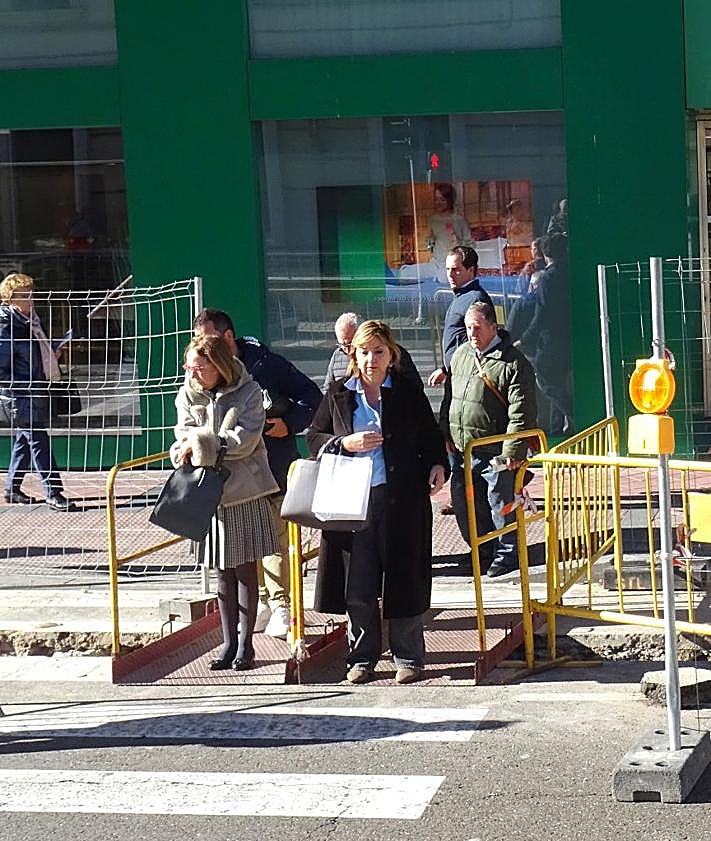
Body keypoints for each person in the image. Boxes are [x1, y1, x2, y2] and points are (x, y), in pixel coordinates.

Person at [306, 320, 448, 685]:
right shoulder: (339, 393)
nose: (371, 359)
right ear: (353, 354)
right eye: (364, 352)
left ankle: (408, 657)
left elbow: (431, 436)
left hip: (400, 499)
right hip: (352, 500)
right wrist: (344, 444)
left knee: (405, 578)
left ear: (391, 355)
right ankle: (362, 658)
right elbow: (315, 437)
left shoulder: (406, 392)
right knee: (359, 583)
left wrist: (436, 464)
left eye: (379, 351)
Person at [192, 308, 322, 639]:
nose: (202, 348)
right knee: (247, 547)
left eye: (208, 339)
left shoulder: (265, 365)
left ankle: (282, 605)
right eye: (197, 341)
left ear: (227, 337)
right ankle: (262, 603)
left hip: (272, 469)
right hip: (228, 483)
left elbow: (311, 397)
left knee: (276, 541)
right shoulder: (201, 379)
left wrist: (288, 424)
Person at [171, 334, 279, 671]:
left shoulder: (249, 392)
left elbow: (244, 441)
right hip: (208, 495)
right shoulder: (188, 391)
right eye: (190, 366)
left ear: (219, 365)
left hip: (244, 492)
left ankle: (247, 645)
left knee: (246, 571)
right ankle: (227, 643)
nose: (193, 373)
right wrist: (182, 451)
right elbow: (181, 433)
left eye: (200, 367)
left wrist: (200, 442)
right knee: (220, 573)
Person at [443, 302, 537, 578]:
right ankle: (481, 551)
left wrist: (512, 450)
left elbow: (522, 412)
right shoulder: (461, 355)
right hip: (463, 449)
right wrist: (445, 433)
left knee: (501, 503)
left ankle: (507, 555)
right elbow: (450, 399)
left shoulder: (514, 363)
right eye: (468, 328)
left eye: (477, 327)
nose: (472, 333)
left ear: (493, 327)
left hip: (495, 451)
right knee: (467, 505)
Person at [0, 272, 76, 511]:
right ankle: (53, 492)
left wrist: (51, 351)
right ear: (9, 298)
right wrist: (25, 381)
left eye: (31, 293)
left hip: (35, 388)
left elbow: (32, 353)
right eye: (24, 295)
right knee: (38, 438)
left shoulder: (30, 320)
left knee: (26, 437)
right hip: (20, 393)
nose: (30, 298)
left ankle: (12, 488)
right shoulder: (6, 325)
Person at [518, 233, 573, 435]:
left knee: (546, 381)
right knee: (558, 381)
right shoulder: (569, 273)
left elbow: (541, 314)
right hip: (567, 337)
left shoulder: (547, 279)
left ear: (545, 253)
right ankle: (557, 428)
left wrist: (524, 338)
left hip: (550, 340)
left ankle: (573, 415)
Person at [427, 246, 494, 386]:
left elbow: (483, 342)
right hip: (456, 373)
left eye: (456, 269)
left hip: (468, 376)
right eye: (448, 269)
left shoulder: (475, 298)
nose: (450, 275)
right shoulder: (461, 295)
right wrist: (445, 369)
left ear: (471, 270)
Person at [323, 312, 423, 389]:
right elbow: (328, 389)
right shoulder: (338, 354)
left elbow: (415, 387)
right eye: (342, 344)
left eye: (351, 344)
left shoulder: (394, 353)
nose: (347, 350)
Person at [426, 183, 474, 284]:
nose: (438, 202)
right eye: (436, 199)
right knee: (407, 272)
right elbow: (429, 245)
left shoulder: (459, 220)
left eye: (442, 199)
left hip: (453, 264)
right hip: (435, 263)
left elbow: (471, 245)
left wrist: (457, 242)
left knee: (444, 278)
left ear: (450, 200)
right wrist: (430, 240)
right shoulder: (433, 220)